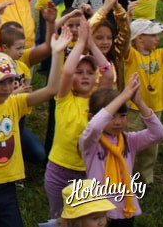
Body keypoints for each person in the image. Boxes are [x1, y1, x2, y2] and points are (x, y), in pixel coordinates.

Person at [0, 25, 68, 227]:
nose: (7, 87)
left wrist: (57, 54)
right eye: (0, 82)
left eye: (11, 81)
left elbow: (51, 90)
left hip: (8, 187)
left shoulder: (16, 103)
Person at [44, 19, 114, 219]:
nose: (85, 76)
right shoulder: (64, 98)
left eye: (90, 73)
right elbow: (66, 71)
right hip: (59, 170)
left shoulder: (98, 101)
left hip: (89, 171)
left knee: (85, 218)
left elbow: (108, 74)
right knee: (60, 217)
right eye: (80, 72)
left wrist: (92, 44)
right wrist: (81, 43)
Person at [79, 74, 163, 225]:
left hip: (126, 210)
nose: (118, 122)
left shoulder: (129, 140)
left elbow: (158, 133)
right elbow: (95, 126)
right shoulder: (90, 142)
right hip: (98, 213)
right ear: (92, 116)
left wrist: (139, 102)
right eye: (111, 117)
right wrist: (124, 96)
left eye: (123, 115)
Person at [122, 19, 163, 184]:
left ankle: (144, 180)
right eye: (153, 35)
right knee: (132, 142)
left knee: (151, 146)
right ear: (140, 38)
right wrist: (127, 18)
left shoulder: (160, 54)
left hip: (155, 108)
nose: (157, 39)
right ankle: (127, 178)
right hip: (134, 108)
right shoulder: (131, 55)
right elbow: (124, 44)